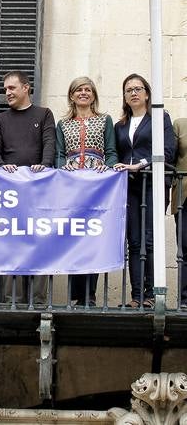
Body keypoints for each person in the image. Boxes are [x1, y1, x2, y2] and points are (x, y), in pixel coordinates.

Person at [0, 70, 56, 306]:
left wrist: (45, 165)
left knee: (39, 244)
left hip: (39, 191)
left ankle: (37, 302)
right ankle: (11, 301)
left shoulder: (44, 114)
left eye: (11, 88)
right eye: (5, 89)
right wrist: (2, 166)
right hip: (9, 193)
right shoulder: (1, 119)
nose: (7, 93)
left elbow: (49, 144)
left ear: (26, 88)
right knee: (11, 245)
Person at [114, 73, 176, 308]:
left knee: (149, 240)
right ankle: (136, 295)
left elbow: (168, 152)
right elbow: (117, 154)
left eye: (138, 88)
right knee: (134, 241)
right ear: (125, 96)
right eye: (129, 90)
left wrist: (139, 164)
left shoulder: (160, 118)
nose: (134, 93)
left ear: (147, 93)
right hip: (129, 187)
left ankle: (150, 295)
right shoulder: (120, 125)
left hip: (152, 185)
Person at [55, 76, 117, 306]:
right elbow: (59, 154)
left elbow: (111, 151)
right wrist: (63, 167)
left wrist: (107, 167)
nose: (83, 93)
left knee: (94, 238)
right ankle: (75, 294)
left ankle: (89, 295)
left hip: (97, 187)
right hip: (72, 187)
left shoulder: (104, 120)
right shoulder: (63, 124)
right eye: (79, 90)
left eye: (88, 90)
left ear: (94, 96)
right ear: (72, 95)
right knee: (74, 238)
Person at [172, 115, 187, 310]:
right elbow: (169, 158)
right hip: (185, 195)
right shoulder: (180, 124)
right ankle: (185, 299)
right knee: (185, 247)